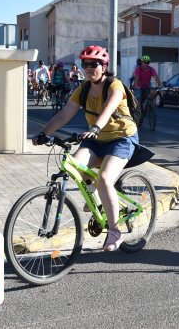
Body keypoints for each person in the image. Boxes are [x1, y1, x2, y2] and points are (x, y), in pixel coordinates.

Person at [32, 45, 146, 252]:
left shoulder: (115, 85)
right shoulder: (83, 88)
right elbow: (65, 114)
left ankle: (114, 230)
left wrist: (95, 127)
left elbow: (110, 107)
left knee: (104, 179)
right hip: (96, 139)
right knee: (73, 165)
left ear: (104, 66)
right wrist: (44, 133)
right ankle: (97, 199)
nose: (89, 68)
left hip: (122, 138)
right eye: (85, 64)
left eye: (94, 64)